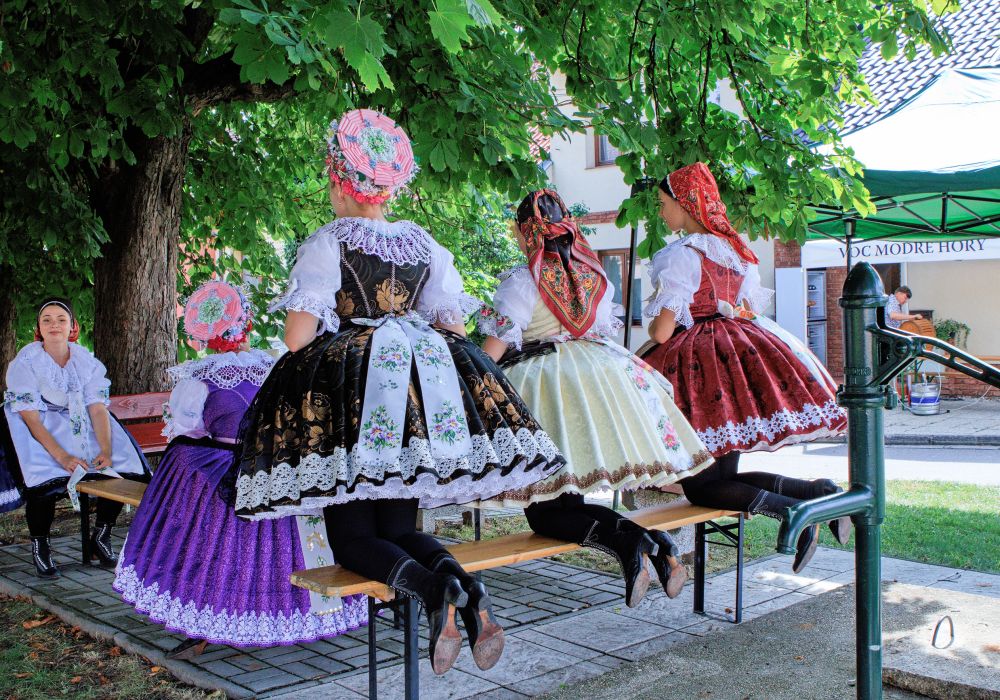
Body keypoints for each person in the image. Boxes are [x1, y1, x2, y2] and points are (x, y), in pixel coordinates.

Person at [228, 109, 565, 675]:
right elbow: (452, 326)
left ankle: (436, 594)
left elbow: (297, 337)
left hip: (353, 402)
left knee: (353, 539)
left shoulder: (329, 241)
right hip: (415, 398)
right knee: (401, 528)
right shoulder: (423, 244)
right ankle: (469, 593)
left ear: (341, 182)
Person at [478, 189, 713, 605]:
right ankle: (655, 544)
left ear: (523, 231)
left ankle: (631, 546)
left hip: (546, 390)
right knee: (569, 503)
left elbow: (492, 352)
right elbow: (600, 329)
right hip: (595, 380)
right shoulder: (594, 277)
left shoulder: (524, 280)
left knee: (545, 513)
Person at [114, 281, 366, 659]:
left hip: (227, 469)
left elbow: (188, 429)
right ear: (246, 323)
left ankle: (208, 615)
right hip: (275, 466)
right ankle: (295, 609)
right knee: (280, 538)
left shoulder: (201, 377)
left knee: (199, 500)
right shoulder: (275, 364)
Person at [641, 163, 850, 573]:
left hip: (698, 372)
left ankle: (791, 512)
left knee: (703, 489)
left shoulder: (681, 255)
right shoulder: (738, 253)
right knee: (720, 481)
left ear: (686, 205)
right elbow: (746, 309)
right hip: (736, 362)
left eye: (664, 203)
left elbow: (663, 332)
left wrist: (650, 331)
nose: (661, 212)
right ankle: (816, 492)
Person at [1, 298, 149, 577]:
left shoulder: (85, 361)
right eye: (47, 320)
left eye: (61, 319)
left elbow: (97, 408)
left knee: (121, 467)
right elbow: (30, 418)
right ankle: (41, 547)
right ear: (39, 328)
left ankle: (101, 536)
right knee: (43, 479)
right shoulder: (26, 363)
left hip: (78, 420)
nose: (54, 325)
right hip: (37, 424)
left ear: (72, 326)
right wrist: (63, 456)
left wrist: (105, 448)